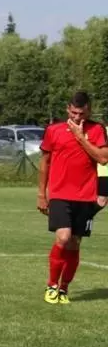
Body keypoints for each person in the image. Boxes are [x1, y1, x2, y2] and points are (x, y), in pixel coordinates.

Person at [37, 91, 108, 305]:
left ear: (89, 110)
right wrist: (41, 194)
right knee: (63, 237)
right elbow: (45, 163)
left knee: (74, 243)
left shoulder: (97, 130)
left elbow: (103, 158)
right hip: (60, 194)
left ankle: (64, 288)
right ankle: (51, 285)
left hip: (86, 196)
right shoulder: (54, 130)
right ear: (68, 109)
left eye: (82, 113)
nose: (77, 117)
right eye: (74, 113)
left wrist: (80, 137)